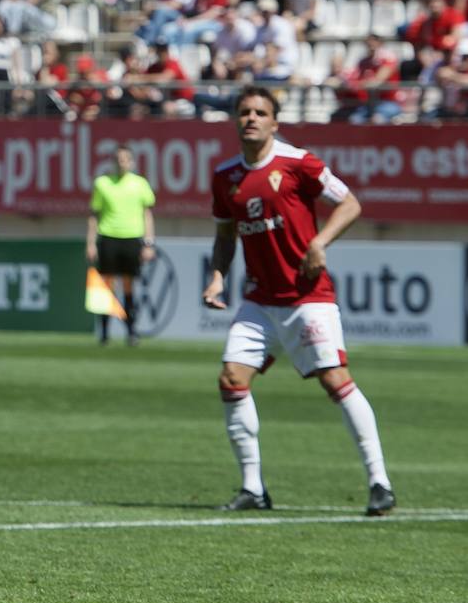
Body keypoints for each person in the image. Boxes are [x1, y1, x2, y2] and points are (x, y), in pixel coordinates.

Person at [204, 86, 395, 516]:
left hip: (308, 296)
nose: (251, 118)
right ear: (236, 120)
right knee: (232, 379)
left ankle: (379, 481)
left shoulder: (297, 162)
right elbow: (224, 236)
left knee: (335, 381)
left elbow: (349, 204)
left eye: (260, 112)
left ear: (275, 122)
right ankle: (253, 488)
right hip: (259, 301)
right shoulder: (225, 177)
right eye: (244, 112)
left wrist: (319, 242)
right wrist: (217, 277)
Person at [86, 146, 157, 346]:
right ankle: (105, 333)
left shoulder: (140, 184)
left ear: (132, 162)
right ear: (113, 161)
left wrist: (149, 242)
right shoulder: (102, 183)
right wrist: (91, 242)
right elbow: (94, 214)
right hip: (108, 237)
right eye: (118, 159)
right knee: (107, 286)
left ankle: (131, 331)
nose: (122, 162)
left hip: (132, 238)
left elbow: (147, 214)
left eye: (126, 159)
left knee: (128, 286)